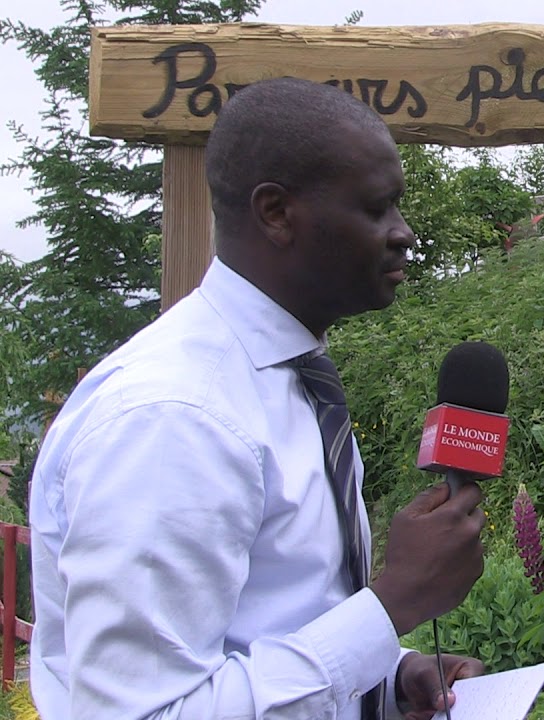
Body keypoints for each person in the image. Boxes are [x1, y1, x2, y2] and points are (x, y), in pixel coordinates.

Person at [28, 77, 486, 719]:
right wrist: (391, 606)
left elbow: (273, 625)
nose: (403, 232)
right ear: (276, 213)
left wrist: (385, 674)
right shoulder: (174, 418)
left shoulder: (287, 380)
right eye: (378, 208)